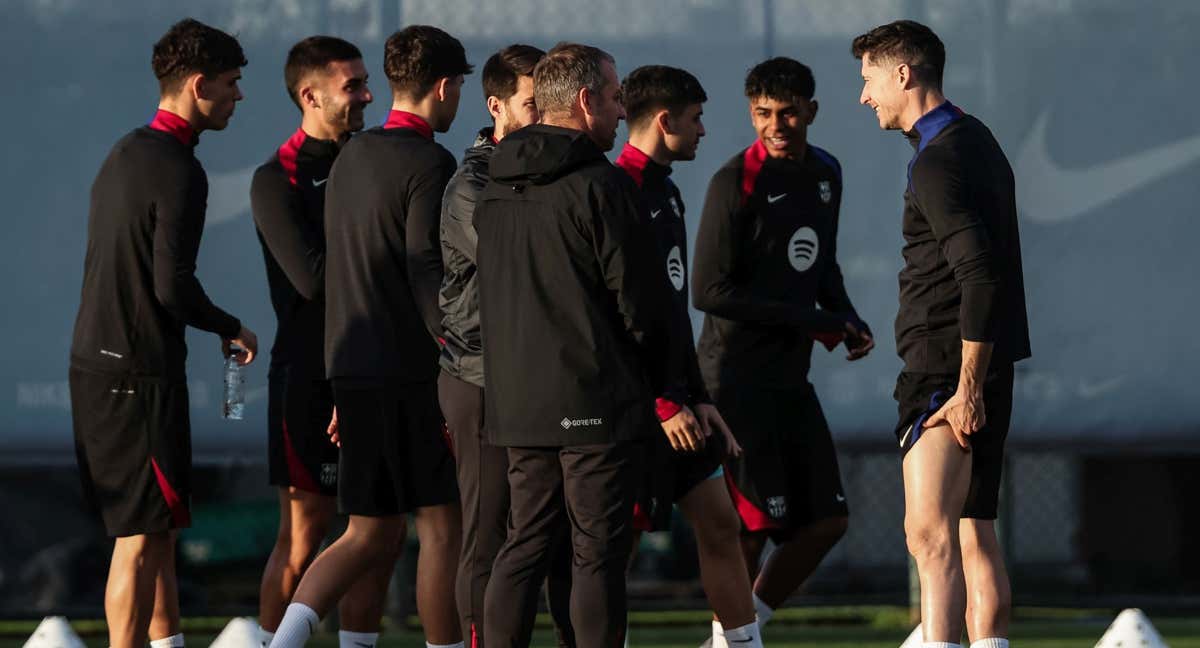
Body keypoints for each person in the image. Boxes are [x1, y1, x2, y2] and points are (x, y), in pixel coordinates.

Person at [476, 42, 695, 648]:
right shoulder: (601, 185)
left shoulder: (492, 183)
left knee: (524, 543)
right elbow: (643, 304)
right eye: (616, 94)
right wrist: (660, 383)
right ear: (584, 99)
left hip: (517, 400)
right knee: (598, 552)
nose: (623, 109)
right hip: (593, 396)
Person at [268, 25, 471, 648]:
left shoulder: (351, 155)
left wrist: (342, 382)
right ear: (443, 87)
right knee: (441, 526)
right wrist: (459, 352)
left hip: (352, 372)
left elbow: (342, 274)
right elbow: (423, 267)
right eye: (460, 86)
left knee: (367, 531)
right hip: (411, 373)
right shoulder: (431, 160)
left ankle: (280, 642)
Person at [68, 17, 258, 648]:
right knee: (140, 538)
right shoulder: (178, 168)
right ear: (199, 85)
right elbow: (170, 285)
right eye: (231, 84)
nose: (239, 96)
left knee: (156, 529)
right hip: (134, 374)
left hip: (104, 367)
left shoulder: (126, 150)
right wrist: (231, 326)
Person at [851, 20, 1030, 648]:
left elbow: (980, 273)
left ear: (903, 74)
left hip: (945, 371)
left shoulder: (937, 161)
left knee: (929, 535)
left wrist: (966, 387)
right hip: (986, 359)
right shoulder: (976, 138)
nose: (865, 96)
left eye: (870, 78)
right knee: (974, 529)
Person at [691, 56, 873, 642]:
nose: (775, 124)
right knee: (752, 527)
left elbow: (820, 263)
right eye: (763, 113)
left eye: (788, 112)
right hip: (734, 382)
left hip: (790, 381)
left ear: (811, 111)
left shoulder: (826, 173)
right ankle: (731, 638)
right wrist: (810, 318)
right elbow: (708, 291)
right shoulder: (733, 181)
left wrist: (845, 316)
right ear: (750, 113)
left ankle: (738, 632)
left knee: (827, 521)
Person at [250, 35, 393, 648]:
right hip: (309, 377)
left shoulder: (374, 159)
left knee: (377, 530)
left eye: (367, 82)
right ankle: (266, 640)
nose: (367, 96)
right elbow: (311, 279)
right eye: (352, 85)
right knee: (305, 535)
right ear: (310, 95)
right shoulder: (275, 179)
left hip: (379, 372)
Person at [615, 64, 762, 648]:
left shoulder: (667, 192)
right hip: (634, 411)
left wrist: (697, 398)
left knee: (722, 527)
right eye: (696, 119)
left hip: (680, 406)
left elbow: (672, 314)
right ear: (663, 120)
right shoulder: (613, 191)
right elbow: (615, 317)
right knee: (609, 551)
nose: (704, 130)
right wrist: (658, 403)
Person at [436, 42, 545, 648]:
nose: (543, 116)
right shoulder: (471, 185)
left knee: (530, 536)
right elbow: (524, 268)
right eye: (532, 104)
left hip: (524, 379)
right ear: (496, 105)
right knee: (485, 533)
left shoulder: (536, 172)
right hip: (478, 379)